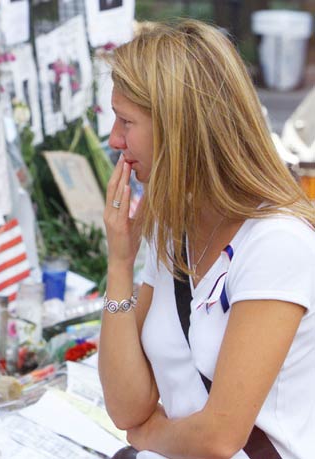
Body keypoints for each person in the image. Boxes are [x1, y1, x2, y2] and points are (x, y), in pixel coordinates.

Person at [99, 20, 315, 459]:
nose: (114, 140)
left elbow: (219, 438)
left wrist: (149, 437)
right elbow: (128, 406)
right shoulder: (175, 224)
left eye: (126, 121)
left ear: (180, 128)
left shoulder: (277, 242)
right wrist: (119, 265)